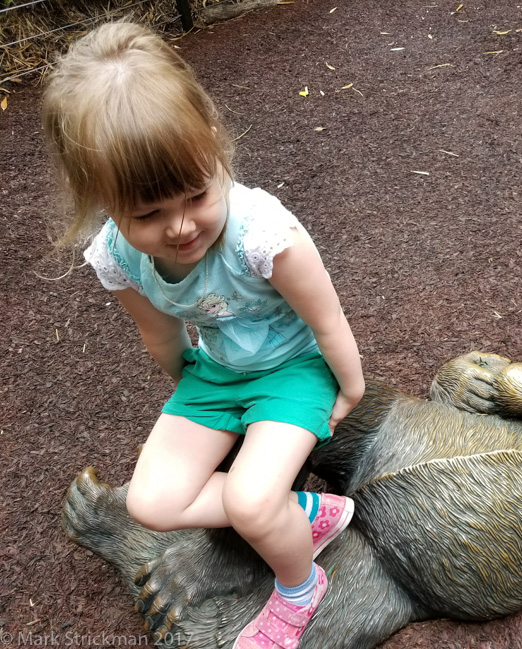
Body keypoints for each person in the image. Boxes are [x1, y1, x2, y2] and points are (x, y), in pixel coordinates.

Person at [42, 21, 366, 649]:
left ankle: (300, 587)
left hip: (294, 368)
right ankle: (303, 513)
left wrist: (348, 387)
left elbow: (327, 317)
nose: (183, 226)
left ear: (214, 146)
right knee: (151, 502)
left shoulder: (261, 233)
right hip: (216, 373)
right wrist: (192, 401)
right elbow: (160, 334)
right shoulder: (117, 255)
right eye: (149, 213)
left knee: (248, 500)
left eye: (195, 193)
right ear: (102, 199)